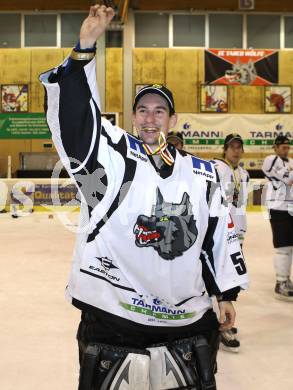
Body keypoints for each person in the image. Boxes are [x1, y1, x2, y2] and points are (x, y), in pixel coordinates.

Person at [40, 5, 248, 389]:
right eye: (142, 111)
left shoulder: (204, 174)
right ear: (134, 117)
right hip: (113, 319)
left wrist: (224, 293)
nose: (150, 118)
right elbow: (77, 125)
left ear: (172, 119)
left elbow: (216, 238)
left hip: (184, 320)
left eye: (159, 111)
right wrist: (85, 47)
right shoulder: (112, 157)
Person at [213, 134, 249, 353]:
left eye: (239, 147)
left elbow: (240, 205)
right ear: (225, 149)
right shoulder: (216, 167)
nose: (235, 151)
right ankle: (220, 325)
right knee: (220, 281)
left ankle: (222, 319)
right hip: (220, 233)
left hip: (237, 234)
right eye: (232, 147)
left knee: (232, 281)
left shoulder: (243, 173)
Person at [262, 135, 293, 301]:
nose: (285, 148)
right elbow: (289, 178)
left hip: (290, 209)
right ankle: (280, 282)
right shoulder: (271, 159)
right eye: (282, 146)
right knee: (283, 247)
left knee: (290, 248)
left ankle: (286, 279)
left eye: (287, 146)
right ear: (275, 147)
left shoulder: (290, 162)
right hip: (278, 208)